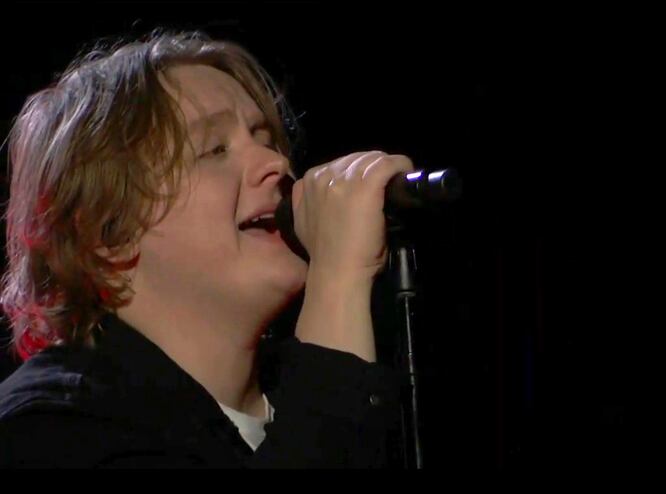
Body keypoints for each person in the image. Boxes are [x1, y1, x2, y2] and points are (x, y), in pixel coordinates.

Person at [0, 30, 414, 468]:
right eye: (215, 150)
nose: (276, 164)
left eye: (266, 139)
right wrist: (339, 277)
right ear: (108, 233)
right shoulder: (50, 430)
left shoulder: (320, 390)